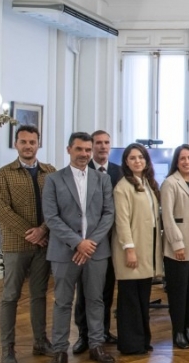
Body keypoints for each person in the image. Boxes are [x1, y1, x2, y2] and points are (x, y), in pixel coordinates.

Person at [42, 132, 116, 363]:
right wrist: (78, 243)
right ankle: (60, 349)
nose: (84, 154)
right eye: (79, 149)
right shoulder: (53, 180)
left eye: (87, 149)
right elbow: (52, 218)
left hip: (96, 251)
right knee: (63, 302)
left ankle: (96, 345)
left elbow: (108, 214)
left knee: (96, 300)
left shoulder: (102, 179)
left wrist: (89, 243)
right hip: (65, 253)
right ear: (69, 150)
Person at [0, 125, 56, 363]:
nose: (28, 146)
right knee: (10, 296)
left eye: (32, 142)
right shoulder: (4, 174)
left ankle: (40, 342)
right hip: (15, 246)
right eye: (23, 142)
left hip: (44, 245)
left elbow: (58, 205)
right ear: (16, 144)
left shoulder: (50, 172)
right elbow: (2, 210)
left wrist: (44, 230)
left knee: (39, 295)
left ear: (38, 143)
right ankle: (7, 349)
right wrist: (31, 233)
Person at [111, 143, 164, 355]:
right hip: (131, 250)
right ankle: (130, 344)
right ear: (126, 162)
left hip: (147, 248)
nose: (137, 161)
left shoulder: (147, 183)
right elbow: (122, 221)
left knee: (143, 298)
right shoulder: (122, 187)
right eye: (132, 158)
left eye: (140, 157)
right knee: (130, 300)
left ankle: (142, 340)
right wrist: (129, 249)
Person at [74, 130, 121, 354]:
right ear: (91, 146)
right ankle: (83, 335)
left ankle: (102, 331)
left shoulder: (119, 172)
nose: (103, 147)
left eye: (106, 143)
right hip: (86, 244)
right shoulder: (83, 170)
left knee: (106, 290)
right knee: (84, 292)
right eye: (98, 143)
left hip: (111, 242)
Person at [160, 144, 189, 350]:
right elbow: (167, 217)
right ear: (176, 162)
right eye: (183, 159)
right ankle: (177, 331)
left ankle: (188, 327)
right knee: (178, 291)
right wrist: (177, 244)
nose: (187, 162)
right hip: (179, 245)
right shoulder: (170, 183)